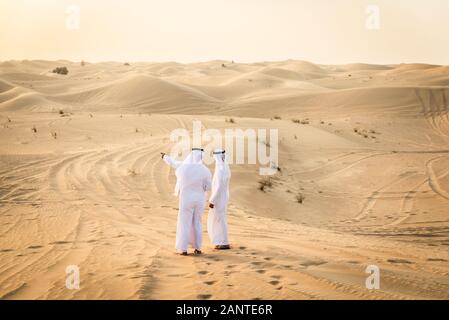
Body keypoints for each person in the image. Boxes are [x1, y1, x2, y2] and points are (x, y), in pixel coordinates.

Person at [161, 148, 212, 256]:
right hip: (199, 200)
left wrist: (165, 157)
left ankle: (183, 249)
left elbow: (174, 163)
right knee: (197, 223)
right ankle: (197, 248)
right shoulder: (205, 170)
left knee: (184, 223)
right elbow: (208, 187)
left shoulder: (183, 167)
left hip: (186, 200)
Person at [208, 149, 231, 250]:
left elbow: (218, 186)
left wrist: (212, 200)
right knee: (220, 219)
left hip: (219, 198)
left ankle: (224, 242)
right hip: (223, 197)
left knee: (219, 220)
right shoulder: (225, 167)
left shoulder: (220, 169)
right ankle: (220, 241)